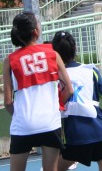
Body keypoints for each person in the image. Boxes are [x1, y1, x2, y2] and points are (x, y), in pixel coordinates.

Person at [3, 12, 74, 171]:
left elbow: (7, 102)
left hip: (23, 124)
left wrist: (21, 114)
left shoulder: (9, 61)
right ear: (36, 31)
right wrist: (55, 107)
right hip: (50, 122)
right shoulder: (53, 54)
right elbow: (69, 89)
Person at [51, 31, 102, 171]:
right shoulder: (91, 70)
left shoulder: (55, 77)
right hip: (100, 131)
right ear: (75, 48)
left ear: (55, 52)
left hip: (75, 134)